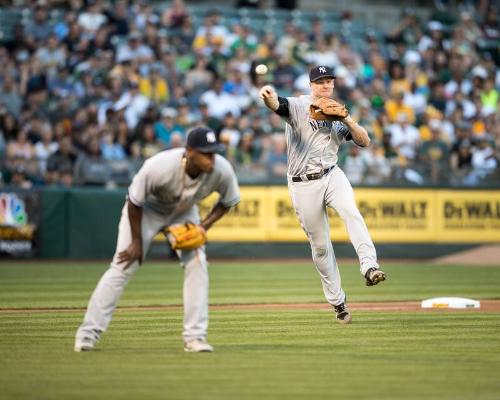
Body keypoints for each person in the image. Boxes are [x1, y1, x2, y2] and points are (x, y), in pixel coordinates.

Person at [75, 126, 240, 352]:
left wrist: (203, 227)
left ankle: (195, 338)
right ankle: (87, 334)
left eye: (214, 152)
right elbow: (134, 202)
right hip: (146, 212)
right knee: (123, 264)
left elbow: (228, 202)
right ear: (190, 151)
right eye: (206, 153)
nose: (212, 158)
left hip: (183, 212)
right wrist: (136, 243)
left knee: (197, 264)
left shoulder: (221, 169)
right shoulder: (160, 166)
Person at [259, 65, 386, 324]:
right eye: (320, 82)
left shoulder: (340, 111)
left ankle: (369, 266)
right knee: (320, 246)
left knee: (352, 212)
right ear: (311, 85)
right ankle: (338, 302)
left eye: (329, 81)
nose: (325, 85)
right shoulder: (298, 106)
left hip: (331, 174)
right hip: (302, 183)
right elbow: (276, 104)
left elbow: (365, 141)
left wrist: (347, 119)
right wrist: (267, 94)